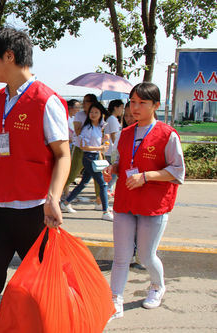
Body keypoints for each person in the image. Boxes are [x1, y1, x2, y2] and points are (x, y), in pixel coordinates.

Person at [0, 27, 70, 333]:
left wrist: (54, 199)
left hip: (33, 211)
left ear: (10, 57)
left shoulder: (46, 101)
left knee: (40, 281)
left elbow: (63, 155)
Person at [103, 82, 185, 320]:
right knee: (121, 256)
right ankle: (114, 298)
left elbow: (178, 172)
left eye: (142, 103)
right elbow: (124, 164)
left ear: (155, 105)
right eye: (133, 102)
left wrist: (146, 177)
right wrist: (113, 168)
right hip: (126, 202)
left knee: (146, 256)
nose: (135, 108)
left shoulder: (167, 135)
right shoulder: (126, 133)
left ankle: (158, 287)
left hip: (153, 205)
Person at [60, 102, 114, 221]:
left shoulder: (100, 127)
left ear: (101, 114)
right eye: (91, 112)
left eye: (96, 112)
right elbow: (83, 146)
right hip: (89, 157)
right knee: (103, 184)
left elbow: (96, 143)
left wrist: (104, 141)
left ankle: (65, 203)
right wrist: (100, 148)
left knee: (84, 182)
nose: (93, 114)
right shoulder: (87, 128)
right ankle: (106, 211)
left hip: (94, 157)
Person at [104, 99, 124, 194]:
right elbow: (114, 136)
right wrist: (118, 150)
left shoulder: (112, 119)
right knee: (113, 172)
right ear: (115, 108)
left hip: (110, 150)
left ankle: (107, 189)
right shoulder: (112, 119)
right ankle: (107, 189)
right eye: (121, 108)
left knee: (111, 172)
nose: (122, 110)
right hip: (111, 150)